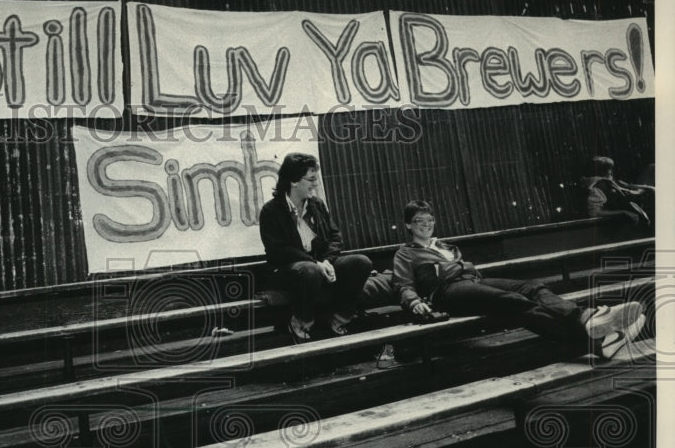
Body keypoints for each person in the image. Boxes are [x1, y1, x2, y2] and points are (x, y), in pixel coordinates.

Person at [392, 199, 645, 360]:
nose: (425, 225)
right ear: (408, 226)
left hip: (473, 282)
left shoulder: (448, 246)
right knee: (512, 301)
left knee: (531, 286)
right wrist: (414, 302)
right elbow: (403, 283)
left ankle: (585, 317)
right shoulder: (406, 252)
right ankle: (594, 340)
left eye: (429, 220)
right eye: (418, 221)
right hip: (447, 292)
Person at [259, 153, 373, 342]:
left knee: (361, 262)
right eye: (311, 179)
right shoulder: (271, 210)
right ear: (294, 181)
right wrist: (316, 263)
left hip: (320, 264)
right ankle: (301, 320)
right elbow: (278, 250)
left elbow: (335, 237)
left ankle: (340, 316)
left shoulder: (317, 205)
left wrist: (327, 261)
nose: (316, 184)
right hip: (289, 270)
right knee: (309, 270)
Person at [580, 155, 654, 227]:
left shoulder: (610, 182)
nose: (610, 172)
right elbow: (595, 212)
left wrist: (648, 188)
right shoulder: (597, 187)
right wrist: (623, 212)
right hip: (614, 226)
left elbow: (626, 186)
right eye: (608, 169)